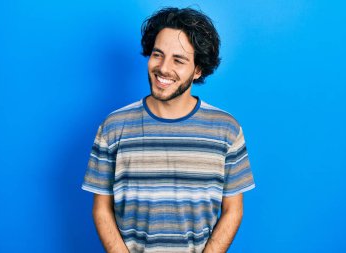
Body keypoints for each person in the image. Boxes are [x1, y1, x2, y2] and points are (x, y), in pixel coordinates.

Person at [82, 7, 255, 253]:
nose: (163, 68)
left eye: (179, 60)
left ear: (198, 70)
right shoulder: (114, 127)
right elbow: (101, 208)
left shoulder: (226, 129)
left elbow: (233, 209)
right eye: (157, 54)